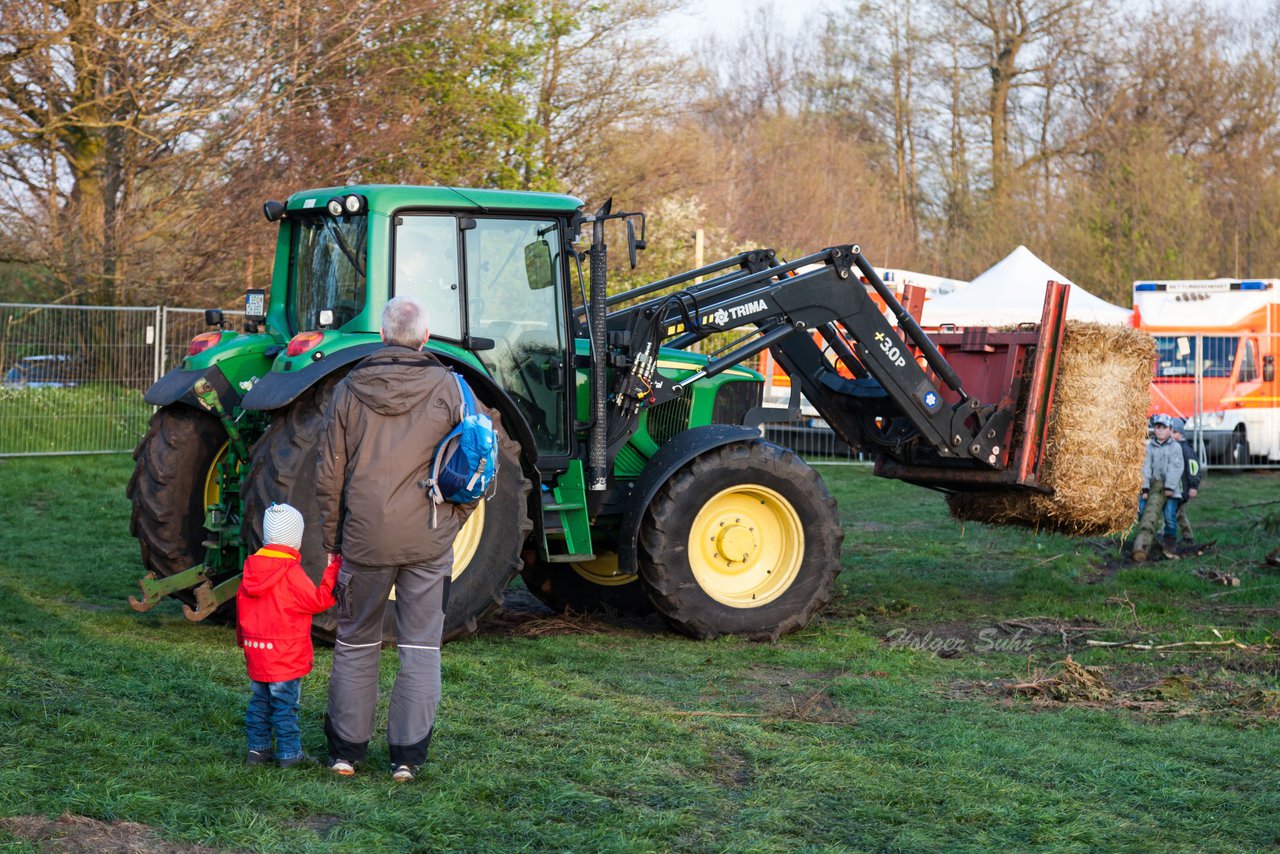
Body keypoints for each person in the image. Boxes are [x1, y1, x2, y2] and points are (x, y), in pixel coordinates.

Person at [315, 295, 479, 782]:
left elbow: (328, 475)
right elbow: (479, 463)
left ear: (382, 336)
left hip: (364, 540)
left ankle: (345, 753)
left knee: (355, 642)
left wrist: (332, 540)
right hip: (429, 538)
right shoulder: (453, 388)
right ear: (425, 338)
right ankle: (406, 759)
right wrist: (452, 521)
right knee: (422, 646)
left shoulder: (348, 389)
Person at [236, 502, 341, 768]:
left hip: (257, 651)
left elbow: (241, 610)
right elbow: (318, 601)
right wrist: (333, 570)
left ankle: (258, 751)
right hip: (285, 654)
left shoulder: (251, 570)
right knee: (285, 706)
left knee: (259, 702)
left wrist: (244, 642)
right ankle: (290, 754)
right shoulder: (291, 573)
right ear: (296, 538)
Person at [1132, 413, 1184, 562]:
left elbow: (1176, 468)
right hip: (1153, 487)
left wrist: (1169, 486)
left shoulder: (1175, 447)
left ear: (1170, 429)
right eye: (1157, 427)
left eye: (1164, 427)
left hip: (1170, 489)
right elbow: (1145, 467)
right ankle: (1145, 540)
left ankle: (1170, 542)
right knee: (1142, 510)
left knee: (1169, 517)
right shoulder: (1150, 448)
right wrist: (1145, 487)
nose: (1160, 430)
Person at [1170, 418, 1202, 546]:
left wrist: (1193, 486)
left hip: (1183, 489)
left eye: (1172, 432)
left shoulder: (1186, 450)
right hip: (1176, 488)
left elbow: (1193, 468)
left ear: (1180, 433)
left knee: (1171, 513)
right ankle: (1188, 537)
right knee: (1180, 513)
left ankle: (1164, 535)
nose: (1169, 435)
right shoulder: (1174, 448)